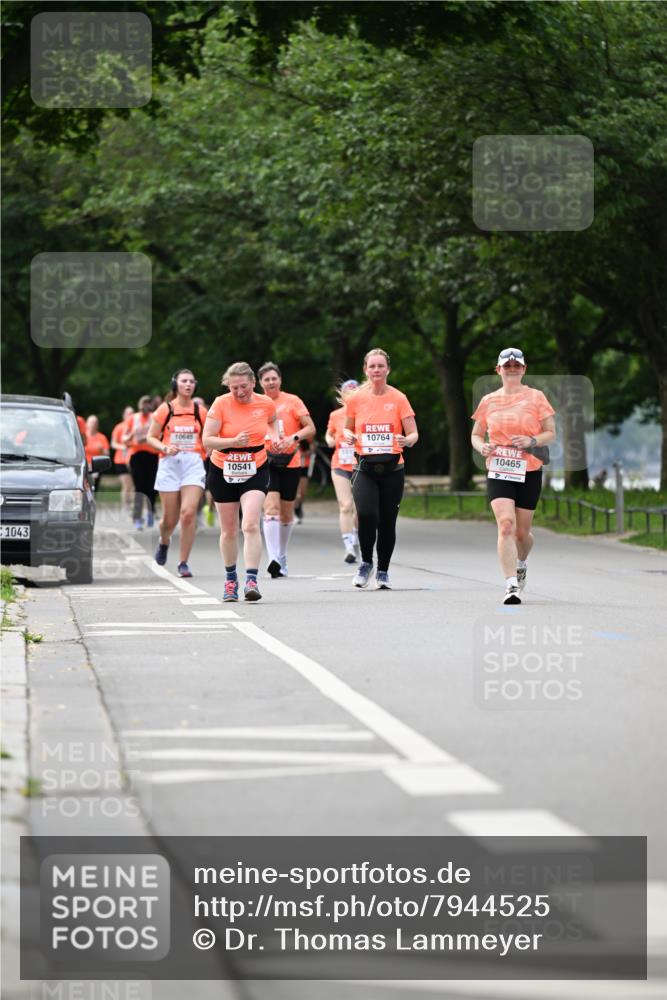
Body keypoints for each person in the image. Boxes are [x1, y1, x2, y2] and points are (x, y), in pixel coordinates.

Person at [471, 347, 556, 605]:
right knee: (506, 525)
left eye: (516, 366)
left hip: (529, 469)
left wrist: (531, 440)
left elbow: (551, 432)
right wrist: (481, 446)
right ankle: (510, 586)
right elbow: (476, 434)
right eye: (506, 366)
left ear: (523, 369)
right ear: (498, 370)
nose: (511, 369)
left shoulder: (536, 397)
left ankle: (521, 562)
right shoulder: (488, 401)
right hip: (499, 468)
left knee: (522, 534)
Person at [202, 362, 282, 602]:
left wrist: (276, 438)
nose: (239, 392)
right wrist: (232, 442)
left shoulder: (265, 403)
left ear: (253, 383)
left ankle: (251, 580)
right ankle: (230, 580)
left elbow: (273, 420)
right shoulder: (221, 404)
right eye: (234, 387)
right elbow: (207, 440)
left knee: (249, 524)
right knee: (229, 530)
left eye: (243, 386)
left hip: (255, 467)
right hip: (222, 468)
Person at [343, 349, 418, 589]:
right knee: (366, 514)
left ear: (388, 369)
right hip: (364, 467)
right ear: (366, 370)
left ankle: (383, 570)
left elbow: (414, 433)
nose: (376, 370)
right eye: (372, 366)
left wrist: (407, 441)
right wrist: (349, 436)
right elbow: (346, 428)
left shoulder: (399, 398)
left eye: (380, 366)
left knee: (387, 521)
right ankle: (366, 563)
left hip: (393, 469)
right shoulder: (355, 398)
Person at [146, 370, 208, 578]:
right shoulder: (166, 409)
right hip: (169, 463)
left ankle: (183, 562)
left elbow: (210, 436)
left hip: (193, 463)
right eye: (184, 381)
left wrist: (206, 453)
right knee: (169, 521)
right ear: (176, 384)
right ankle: (164, 542)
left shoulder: (200, 410)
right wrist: (164, 447)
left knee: (188, 514)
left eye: (191, 381)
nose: (188, 384)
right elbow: (151, 437)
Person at [257, 362, 316, 578]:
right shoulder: (256, 403)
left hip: (291, 460)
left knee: (286, 512)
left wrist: (293, 437)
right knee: (270, 508)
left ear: (280, 380)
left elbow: (310, 428)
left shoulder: (293, 401)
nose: (271, 382)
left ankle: (281, 556)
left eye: (274, 378)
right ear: (260, 383)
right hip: (266, 461)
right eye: (266, 379)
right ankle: (273, 558)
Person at [326, 379, 361, 563]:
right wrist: (329, 439)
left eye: (355, 390)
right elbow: (329, 433)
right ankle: (349, 546)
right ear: (343, 393)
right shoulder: (336, 415)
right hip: (339, 465)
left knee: (358, 509)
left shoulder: (364, 412)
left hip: (359, 465)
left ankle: (354, 534)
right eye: (349, 391)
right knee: (346, 505)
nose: (352, 393)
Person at [123, 395, 160, 530]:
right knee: (139, 487)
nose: (145, 406)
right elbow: (124, 438)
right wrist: (133, 435)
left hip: (153, 455)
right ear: (139, 405)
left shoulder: (155, 417)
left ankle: (150, 511)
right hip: (137, 456)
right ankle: (137, 517)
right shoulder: (133, 418)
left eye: (147, 404)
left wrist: (147, 438)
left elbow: (161, 434)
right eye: (143, 403)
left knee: (152, 487)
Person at [110, 406, 134, 512]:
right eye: (128, 413)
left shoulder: (135, 427)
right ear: (124, 415)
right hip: (120, 460)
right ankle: (125, 506)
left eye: (132, 413)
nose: (130, 415)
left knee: (133, 485)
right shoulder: (119, 427)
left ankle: (132, 504)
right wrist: (123, 447)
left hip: (133, 459)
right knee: (127, 484)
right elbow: (113, 443)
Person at [84, 415, 110, 491]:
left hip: (96, 466)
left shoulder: (102, 437)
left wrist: (102, 450)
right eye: (92, 422)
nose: (93, 424)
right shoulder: (82, 436)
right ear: (87, 423)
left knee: (93, 487)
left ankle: (93, 500)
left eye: (95, 422)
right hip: (84, 465)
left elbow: (107, 454)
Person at [293, 439, 314, 524]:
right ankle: (294, 513)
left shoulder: (306, 438)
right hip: (294, 466)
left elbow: (312, 449)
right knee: (296, 493)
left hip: (304, 466)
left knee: (302, 492)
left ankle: (298, 507)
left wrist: (304, 453)